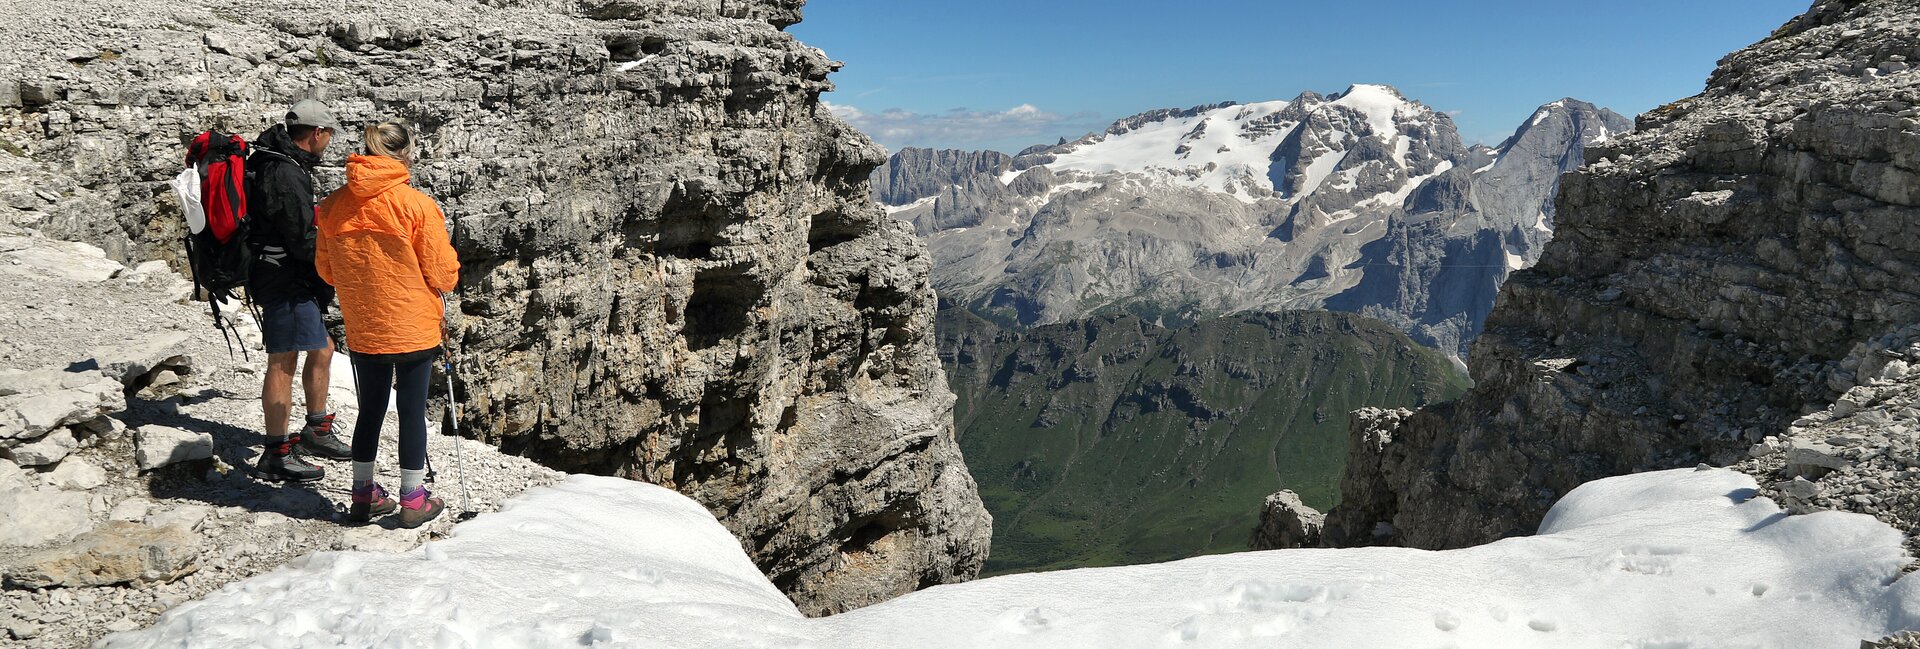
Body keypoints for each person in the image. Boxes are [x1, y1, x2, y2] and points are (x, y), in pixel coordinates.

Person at [315, 121, 460, 527]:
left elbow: (326, 270)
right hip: (412, 323)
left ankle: (363, 494)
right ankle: (413, 499)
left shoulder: (332, 206)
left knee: (371, 409)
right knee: (411, 410)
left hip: (364, 325)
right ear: (404, 154)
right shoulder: (416, 204)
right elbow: (443, 273)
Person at [248, 99, 354, 482]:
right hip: (284, 279)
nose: (329, 143)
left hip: (287, 276)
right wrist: (337, 268)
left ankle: (316, 430)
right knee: (283, 360)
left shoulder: (282, 161)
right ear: (317, 133)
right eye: (329, 135)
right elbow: (300, 237)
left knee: (322, 347)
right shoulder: (284, 172)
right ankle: (276, 451)